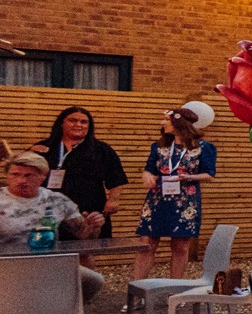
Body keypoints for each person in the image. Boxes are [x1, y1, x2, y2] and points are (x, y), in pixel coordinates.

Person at [1, 152, 107, 301]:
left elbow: (85, 236)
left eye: (28, 176)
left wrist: (93, 226)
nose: (21, 180)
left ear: (43, 176)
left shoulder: (57, 200)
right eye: (15, 175)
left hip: (49, 264)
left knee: (94, 281)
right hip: (7, 266)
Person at [131, 103, 217, 281]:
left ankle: (175, 287)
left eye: (166, 120)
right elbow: (149, 169)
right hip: (156, 200)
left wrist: (188, 177)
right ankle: (136, 289)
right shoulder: (158, 146)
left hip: (185, 202)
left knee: (180, 246)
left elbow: (209, 174)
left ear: (179, 124)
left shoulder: (204, 148)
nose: (163, 123)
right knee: (146, 243)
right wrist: (146, 176)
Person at [30, 105, 128, 239]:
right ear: (61, 123)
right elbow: (25, 172)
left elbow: (116, 178)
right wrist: (30, 153)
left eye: (83, 122)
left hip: (88, 207)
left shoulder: (101, 150)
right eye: (73, 120)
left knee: (85, 251)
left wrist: (114, 200)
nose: (78, 125)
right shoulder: (43, 147)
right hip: (50, 208)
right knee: (49, 246)